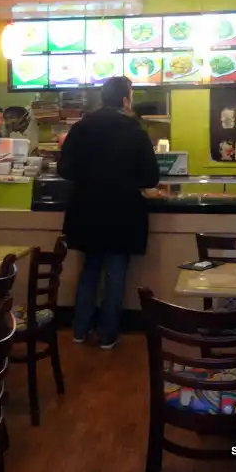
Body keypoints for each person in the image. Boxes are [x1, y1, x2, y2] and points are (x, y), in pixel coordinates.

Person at [59, 76, 160, 349]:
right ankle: (107, 335)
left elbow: (64, 170)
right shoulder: (134, 130)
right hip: (121, 212)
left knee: (89, 270)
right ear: (125, 100)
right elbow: (151, 177)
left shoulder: (81, 127)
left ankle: (80, 330)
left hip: (86, 211)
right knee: (115, 274)